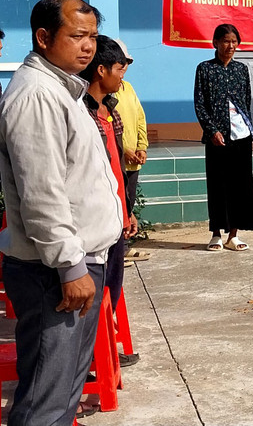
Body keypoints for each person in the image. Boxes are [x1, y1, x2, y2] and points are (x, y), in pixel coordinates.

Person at [0, 0, 122, 426]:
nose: (88, 46)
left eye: (92, 36)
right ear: (44, 36)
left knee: (65, 387)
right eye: (77, 35)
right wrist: (71, 267)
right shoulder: (36, 96)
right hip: (56, 272)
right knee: (45, 399)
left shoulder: (61, 88)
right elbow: (42, 194)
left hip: (81, 261)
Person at [79, 35, 141, 376]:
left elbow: (114, 167)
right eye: (119, 68)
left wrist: (126, 209)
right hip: (96, 220)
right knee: (94, 294)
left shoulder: (109, 110)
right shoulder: (82, 113)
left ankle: (101, 349)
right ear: (100, 70)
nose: (122, 75)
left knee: (111, 289)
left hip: (116, 214)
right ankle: (87, 361)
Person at [193, 23, 253, 251]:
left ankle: (234, 235)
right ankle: (215, 234)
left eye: (234, 41)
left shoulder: (241, 69)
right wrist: (212, 131)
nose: (230, 46)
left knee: (240, 186)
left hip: (241, 134)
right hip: (217, 137)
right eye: (225, 41)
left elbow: (246, 102)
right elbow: (200, 104)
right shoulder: (205, 69)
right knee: (218, 185)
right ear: (216, 43)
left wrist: (251, 135)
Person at [113, 39, 149, 239]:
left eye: (126, 62)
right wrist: (123, 150)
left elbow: (140, 118)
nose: (123, 67)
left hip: (132, 163)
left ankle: (123, 246)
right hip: (117, 159)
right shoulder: (105, 91)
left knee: (129, 203)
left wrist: (141, 147)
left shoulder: (128, 88)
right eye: (120, 62)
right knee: (115, 204)